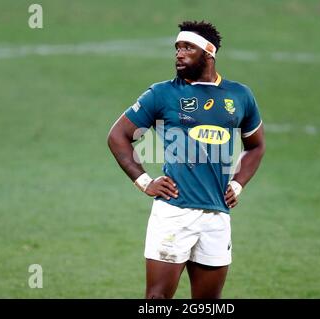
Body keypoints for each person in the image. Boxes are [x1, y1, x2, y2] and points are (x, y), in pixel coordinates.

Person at [107, 20, 265, 299]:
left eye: (187, 48)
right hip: (173, 213)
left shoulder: (240, 96)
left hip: (217, 215)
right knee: (157, 300)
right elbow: (118, 135)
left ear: (208, 53)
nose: (179, 53)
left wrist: (238, 184)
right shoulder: (162, 93)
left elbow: (255, 146)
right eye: (177, 48)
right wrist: (144, 181)